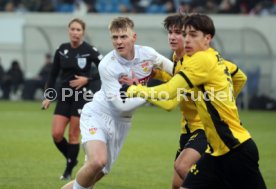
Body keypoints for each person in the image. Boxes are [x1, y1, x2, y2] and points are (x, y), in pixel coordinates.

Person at [121, 13, 266, 189]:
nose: (186, 39)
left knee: (182, 167)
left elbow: (169, 94)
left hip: (234, 147)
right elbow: (239, 76)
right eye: (185, 34)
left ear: (208, 38)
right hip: (216, 150)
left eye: (192, 34)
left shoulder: (200, 60)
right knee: (179, 185)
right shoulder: (197, 58)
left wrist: (133, 90)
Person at [61, 16, 174, 189]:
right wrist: (149, 94)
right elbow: (120, 105)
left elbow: (174, 69)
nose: (119, 42)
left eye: (123, 37)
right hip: (98, 113)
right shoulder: (107, 65)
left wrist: (192, 80)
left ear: (133, 37)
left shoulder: (148, 54)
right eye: (115, 37)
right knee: (97, 161)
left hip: (122, 122)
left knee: (94, 175)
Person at [41, 18, 103, 180]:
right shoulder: (62, 49)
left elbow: (105, 69)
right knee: (56, 134)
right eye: (73, 29)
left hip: (81, 97)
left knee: (74, 134)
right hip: (64, 96)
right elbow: (53, 74)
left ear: (83, 32)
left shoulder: (90, 50)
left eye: (78, 30)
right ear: (68, 31)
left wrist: (87, 79)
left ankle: (68, 170)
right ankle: (72, 158)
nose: (75, 32)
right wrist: (49, 96)